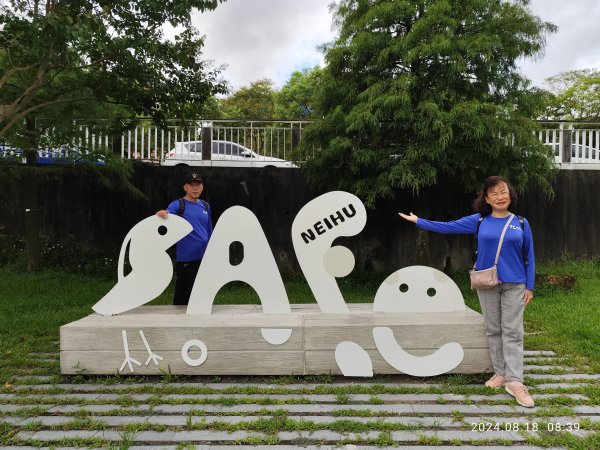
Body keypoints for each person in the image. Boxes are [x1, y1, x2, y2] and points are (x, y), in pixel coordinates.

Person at [398, 175, 536, 408]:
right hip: (487, 282)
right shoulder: (480, 221)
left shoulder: (521, 222)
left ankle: (515, 381)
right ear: (487, 199)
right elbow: (448, 227)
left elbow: (529, 255)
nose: (500, 197)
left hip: (515, 283)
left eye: (504, 192)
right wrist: (419, 221)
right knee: (493, 329)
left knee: (512, 331)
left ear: (510, 195)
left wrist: (530, 286)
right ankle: (500, 373)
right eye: (494, 194)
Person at [156, 171, 213, 305]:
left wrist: (212, 251)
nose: (195, 188)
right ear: (185, 187)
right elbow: (168, 215)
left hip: (204, 258)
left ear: (202, 187)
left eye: (198, 185)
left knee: (201, 297)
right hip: (186, 259)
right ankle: (178, 324)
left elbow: (209, 230)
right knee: (183, 298)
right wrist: (163, 213)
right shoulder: (178, 205)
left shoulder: (205, 206)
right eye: (191, 185)